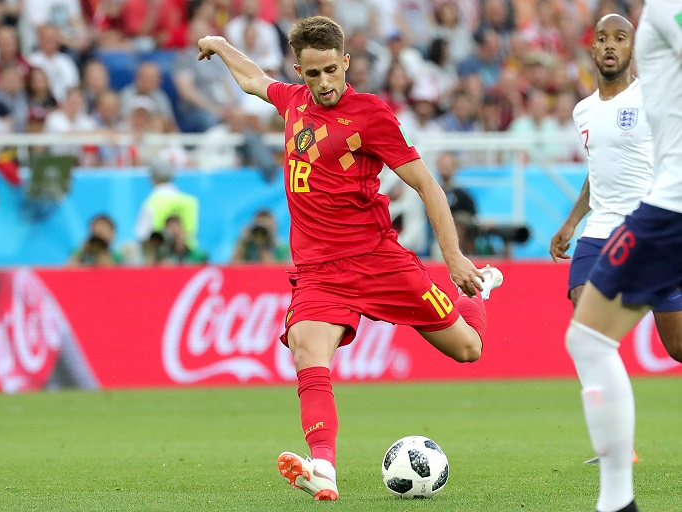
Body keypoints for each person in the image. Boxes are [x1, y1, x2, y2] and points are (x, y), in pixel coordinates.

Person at [197, 15, 504, 502]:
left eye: (330, 72)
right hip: (320, 273)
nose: (322, 84)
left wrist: (454, 258)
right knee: (306, 348)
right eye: (311, 73)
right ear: (300, 70)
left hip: (379, 261)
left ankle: (479, 291)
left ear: (345, 63)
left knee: (468, 349)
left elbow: (427, 185)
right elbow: (255, 79)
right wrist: (219, 44)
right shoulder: (294, 101)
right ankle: (323, 467)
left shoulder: (370, 114)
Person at [563, 8, 682, 512]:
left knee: (675, 347)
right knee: (585, 332)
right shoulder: (583, 111)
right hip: (602, 228)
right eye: (603, 39)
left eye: (620, 38)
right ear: (592, 50)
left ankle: (616, 494)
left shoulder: (649, 94)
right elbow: (598, 169)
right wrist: (571, 222)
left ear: (633, 48)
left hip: (654, 220)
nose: (611, 46)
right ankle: (616, 452)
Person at [134, 152, 199, 247]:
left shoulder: (151, 203)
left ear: (152, 178)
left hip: (161, 258)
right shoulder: (190, 202)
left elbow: (141, 235)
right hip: (190, 259)